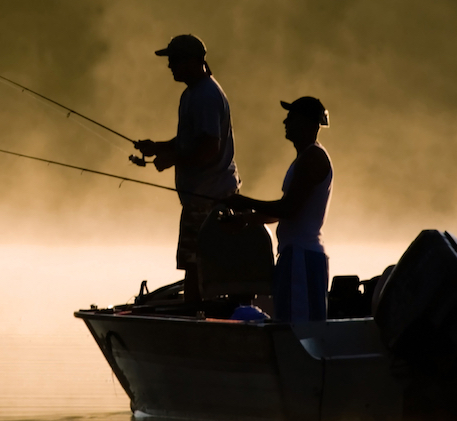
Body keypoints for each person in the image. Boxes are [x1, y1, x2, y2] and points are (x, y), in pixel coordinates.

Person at [133, 34, 241, 302]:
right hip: (203, 196)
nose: (170, 65)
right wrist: (158, 147)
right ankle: (200, 313)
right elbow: (190, 141)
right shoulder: (192, 94)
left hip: (208, 198)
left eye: (174, 60)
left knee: (195, 264)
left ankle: (195, 317)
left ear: (194, 61)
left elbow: (209, 148)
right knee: (198, 263)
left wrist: (173, 159)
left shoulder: (205, 95)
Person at [222, 97, 332, 322]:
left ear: (308, 123)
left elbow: (289, 208)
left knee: (298, 329)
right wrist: (246, 219)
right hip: (295, 255)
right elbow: (286, 211)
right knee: (292, 324)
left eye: (291, 118)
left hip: (301, 256)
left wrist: (246, 203)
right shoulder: (304, 157)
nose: (285, 121)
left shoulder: (312, 158)